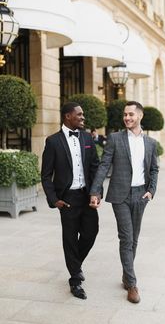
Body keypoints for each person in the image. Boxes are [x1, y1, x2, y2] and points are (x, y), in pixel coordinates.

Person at [89, 101, 159, 304]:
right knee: (126, 238)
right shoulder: (115, 138)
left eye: (130, 114)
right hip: (120, 195)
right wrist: (95, 191)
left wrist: (151, 191)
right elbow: (103, 166)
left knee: (134, 239)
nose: (127, 118)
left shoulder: (151, 143)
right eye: (125, 115)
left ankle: (126, 275)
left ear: (140, 116)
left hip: (140, 195)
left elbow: (154, 169)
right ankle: (132, 284)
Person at [41, 102, 99, 300]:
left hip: (86, 194)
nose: (83, 118)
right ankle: (75, 279)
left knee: (91, 233)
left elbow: (95, 167)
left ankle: (75, 265)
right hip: (67, 199)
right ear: (67, 116)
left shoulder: (87, 137)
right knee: (70, 239)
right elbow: (46, 174)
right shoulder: (53, 141)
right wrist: (54, 199)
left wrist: (96, 192)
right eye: (79, 115)